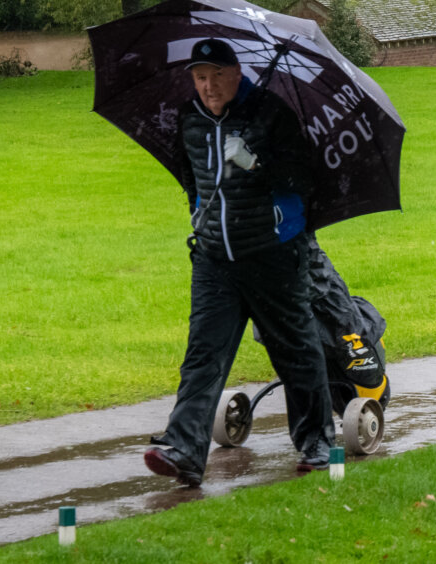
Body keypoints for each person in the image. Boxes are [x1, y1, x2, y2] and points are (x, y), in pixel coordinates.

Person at [143, 39, 336, 488]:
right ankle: (185, 449)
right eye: (199, 77)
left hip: (273, 254)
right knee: (202, 356)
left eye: (215, 76)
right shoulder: (189, 118)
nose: (207, 87)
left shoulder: (272, 114)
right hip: (214, 259)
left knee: (296, 350)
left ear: (236, 74)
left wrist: (255, 163)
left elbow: (302, 179)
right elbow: (190, 174)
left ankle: (317, 441)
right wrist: (196, 208)